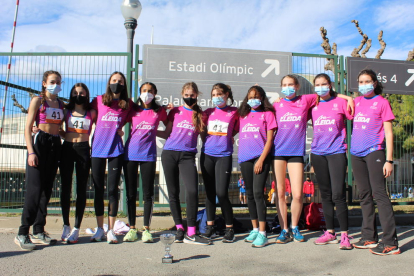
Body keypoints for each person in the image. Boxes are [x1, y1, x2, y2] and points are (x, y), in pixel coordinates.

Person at [272, 74, 354, 244]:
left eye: (291, 84)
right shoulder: (276, 104)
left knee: (297, 194)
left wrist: (348, 97)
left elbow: (327, 95)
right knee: (280, 192)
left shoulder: (306, 100)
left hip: (298, 152)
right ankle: (284, 230)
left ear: (297, 86)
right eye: (284, 84)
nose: (287, 87)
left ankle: (295, 227)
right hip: (279, 152)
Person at [350, 69, 400, 255]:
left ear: (375, 83)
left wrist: (389, 160)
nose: (364, 85)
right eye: (361, 82)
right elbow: (341, 100)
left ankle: (390, 242)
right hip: (356, 154)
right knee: (364, 194)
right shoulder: (356, 102)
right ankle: (369, 236)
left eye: (367, 81)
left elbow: (388, 133)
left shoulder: (383, 102)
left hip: (375, 152)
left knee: (379, 194)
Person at [15, 71, 64, 250]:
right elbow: (28, 128)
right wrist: (31, 152)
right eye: (52, 81)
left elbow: (61, 128)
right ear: (44, 83)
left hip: (55, 144)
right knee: (34, 191)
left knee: (46, 191)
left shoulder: (61, 104)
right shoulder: (38, 101)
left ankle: (38, 230)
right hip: (39, 144)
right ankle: (22, 232)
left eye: (58, 81)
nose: (56, 84)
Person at [158, 82, 211, 245]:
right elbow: (167, 133)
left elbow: (204, 137)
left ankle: (191, 231)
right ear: (182, 94)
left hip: (187, 156)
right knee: (173, 192)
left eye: (192, 95)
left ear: (197, 95)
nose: (189, 98)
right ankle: (180, 228)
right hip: (169, 153)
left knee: (192, 191)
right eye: (186, 95)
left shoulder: (200, 114)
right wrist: (148, 130)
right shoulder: (175, 111)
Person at [309, 73, 353, 250]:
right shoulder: (313, 103)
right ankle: (330, 232)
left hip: (336, 152)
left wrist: (346, 96)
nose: (321, 87)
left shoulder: (341, 103)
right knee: (325, 195)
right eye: (317, 85)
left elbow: (355, 109)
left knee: (338, 194)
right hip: (318, 154)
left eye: (324, 84)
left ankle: (345, 236)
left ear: (330, 85)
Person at [122, 82, 168, 243]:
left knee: (148, 194)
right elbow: (119, 123)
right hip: (129, 155)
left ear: (155, 94)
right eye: (144, 91)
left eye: (150, 91)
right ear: (140, 92)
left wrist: (157, 131)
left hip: (148, 156)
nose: (147, 94)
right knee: (130, 194)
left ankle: (146, 230)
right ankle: (132, 228)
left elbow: (168, 128)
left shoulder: (159, 111)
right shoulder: (133, 109)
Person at [90, 72, 132, 244]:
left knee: (113, 191)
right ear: (109, 83)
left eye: (120, 81)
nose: (117, 83)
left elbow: (144, 111)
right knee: (98, 190)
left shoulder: (127, 104)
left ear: (124, 85)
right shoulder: (98, 100)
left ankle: (111, 230)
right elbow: (82, 114)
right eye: (114, 80)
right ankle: (100, 229)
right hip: (97, 151)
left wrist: (162, 107)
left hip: (116, 151)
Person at [200, 83, 239, 243]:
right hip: (207, 155)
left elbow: (236, 128)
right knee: (209, 193)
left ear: (227, 94)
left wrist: (230, 135)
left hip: (224, 156)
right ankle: (210, 228)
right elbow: (202, 131)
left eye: (220, 94)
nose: (217, 97)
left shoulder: (234, 111)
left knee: (222, 193)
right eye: (214, 95)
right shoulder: (208, 112)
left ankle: (230, 228)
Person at [238, 85, 277, 248]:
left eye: (256, 96)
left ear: (262, 98)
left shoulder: (268, 114)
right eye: (250, 96)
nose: (253, 99)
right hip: (244, 158)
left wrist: (261, 160)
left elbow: (269, 140)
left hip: (260, 158)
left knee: (258, 193)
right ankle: (254, 229)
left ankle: (263, 233)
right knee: (249, 194)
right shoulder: (242, 115)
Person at [60, 83, 96, 243]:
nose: (78, 95)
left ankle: (76, 227)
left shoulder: (91, 112)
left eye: (81, 93)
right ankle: (66, 224)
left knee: (81, 188)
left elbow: (102, 127)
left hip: (83, 149)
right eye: (75, 93)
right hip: (67, 148)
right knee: (65, 187)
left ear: (87, 95)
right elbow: (55, 127)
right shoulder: (66, 110)